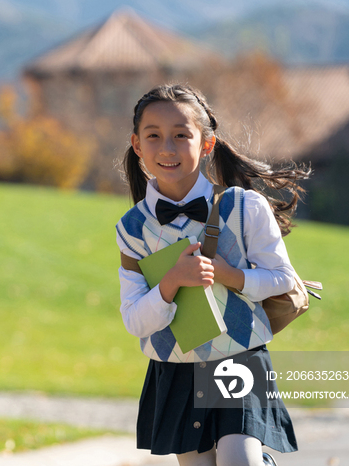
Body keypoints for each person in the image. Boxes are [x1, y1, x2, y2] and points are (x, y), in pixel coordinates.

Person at [115, 84, 310, 466]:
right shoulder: (130, 229)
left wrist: (225, 274)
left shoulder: (245, 205)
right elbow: (135, 320)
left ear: (206, 144)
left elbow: (282, 278)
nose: (167, 148)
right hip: (174, 367)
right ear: (137, 145)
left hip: (238, 356)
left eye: (181, 135)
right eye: (154, 136)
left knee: (241, 462)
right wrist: (172, 281)